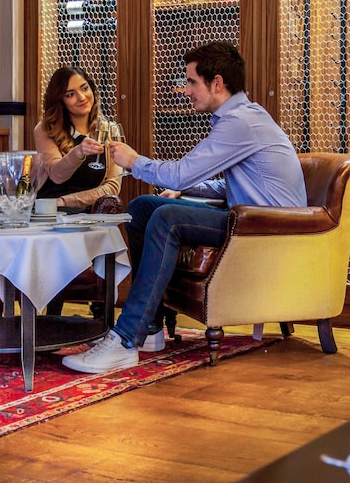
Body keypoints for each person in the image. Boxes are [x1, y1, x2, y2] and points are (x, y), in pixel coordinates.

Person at [62, 41, 306, 373]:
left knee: (167, 218)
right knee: (143, 207)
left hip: (266, 229)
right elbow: (230, 185)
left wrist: (134, 161)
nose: (186, 90)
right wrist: (184, 190)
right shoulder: (240, 118)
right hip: (249, 219)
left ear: (217, 83)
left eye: (191, 82)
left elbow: (181, 172)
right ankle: (150, 328)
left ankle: (125, 339)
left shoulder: (241, 122)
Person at [34, 66, 121, 212]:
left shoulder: (109, 131)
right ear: (60, 101)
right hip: (49, 212)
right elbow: (57, 175)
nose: (81, 97)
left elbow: (112, 187)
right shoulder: (45, 129)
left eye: (84, 88)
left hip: (85, 213)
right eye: (70, 94)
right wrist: (78, 152)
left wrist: (64, 201)